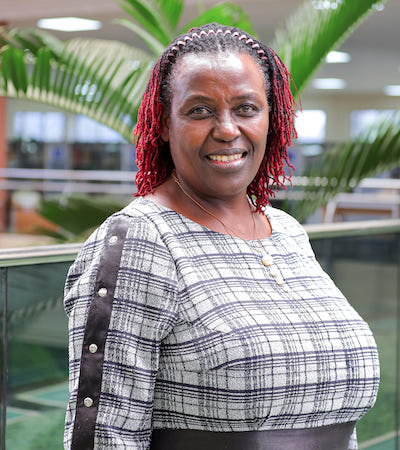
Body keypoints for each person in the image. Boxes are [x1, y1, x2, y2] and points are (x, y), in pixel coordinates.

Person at [64, 23, 379, 450]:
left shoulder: (287, 233)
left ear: (271, 118)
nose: (227, 129)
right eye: (200, 110)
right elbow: (107, 435)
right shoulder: (141, 239)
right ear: (164, 124)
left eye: (246, 108)